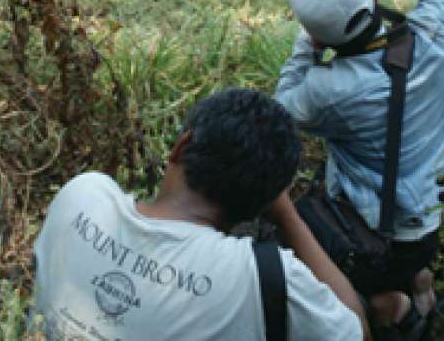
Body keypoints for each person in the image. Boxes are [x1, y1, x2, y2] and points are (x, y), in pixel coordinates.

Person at [275, 0, 444, 337]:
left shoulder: (325, 91)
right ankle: (420, 287)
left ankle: (390, 307)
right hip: (426, 218)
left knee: (335, 276)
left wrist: (308, 41)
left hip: (365, 229)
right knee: (412, 260)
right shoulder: (432, 35)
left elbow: (281, 106)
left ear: (321, 37)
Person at [31, 88, 371, 341]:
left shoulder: (83, 196)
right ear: (263, 201)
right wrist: (289, 217)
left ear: (181, 146)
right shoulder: (264, 276)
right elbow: (356, 332)